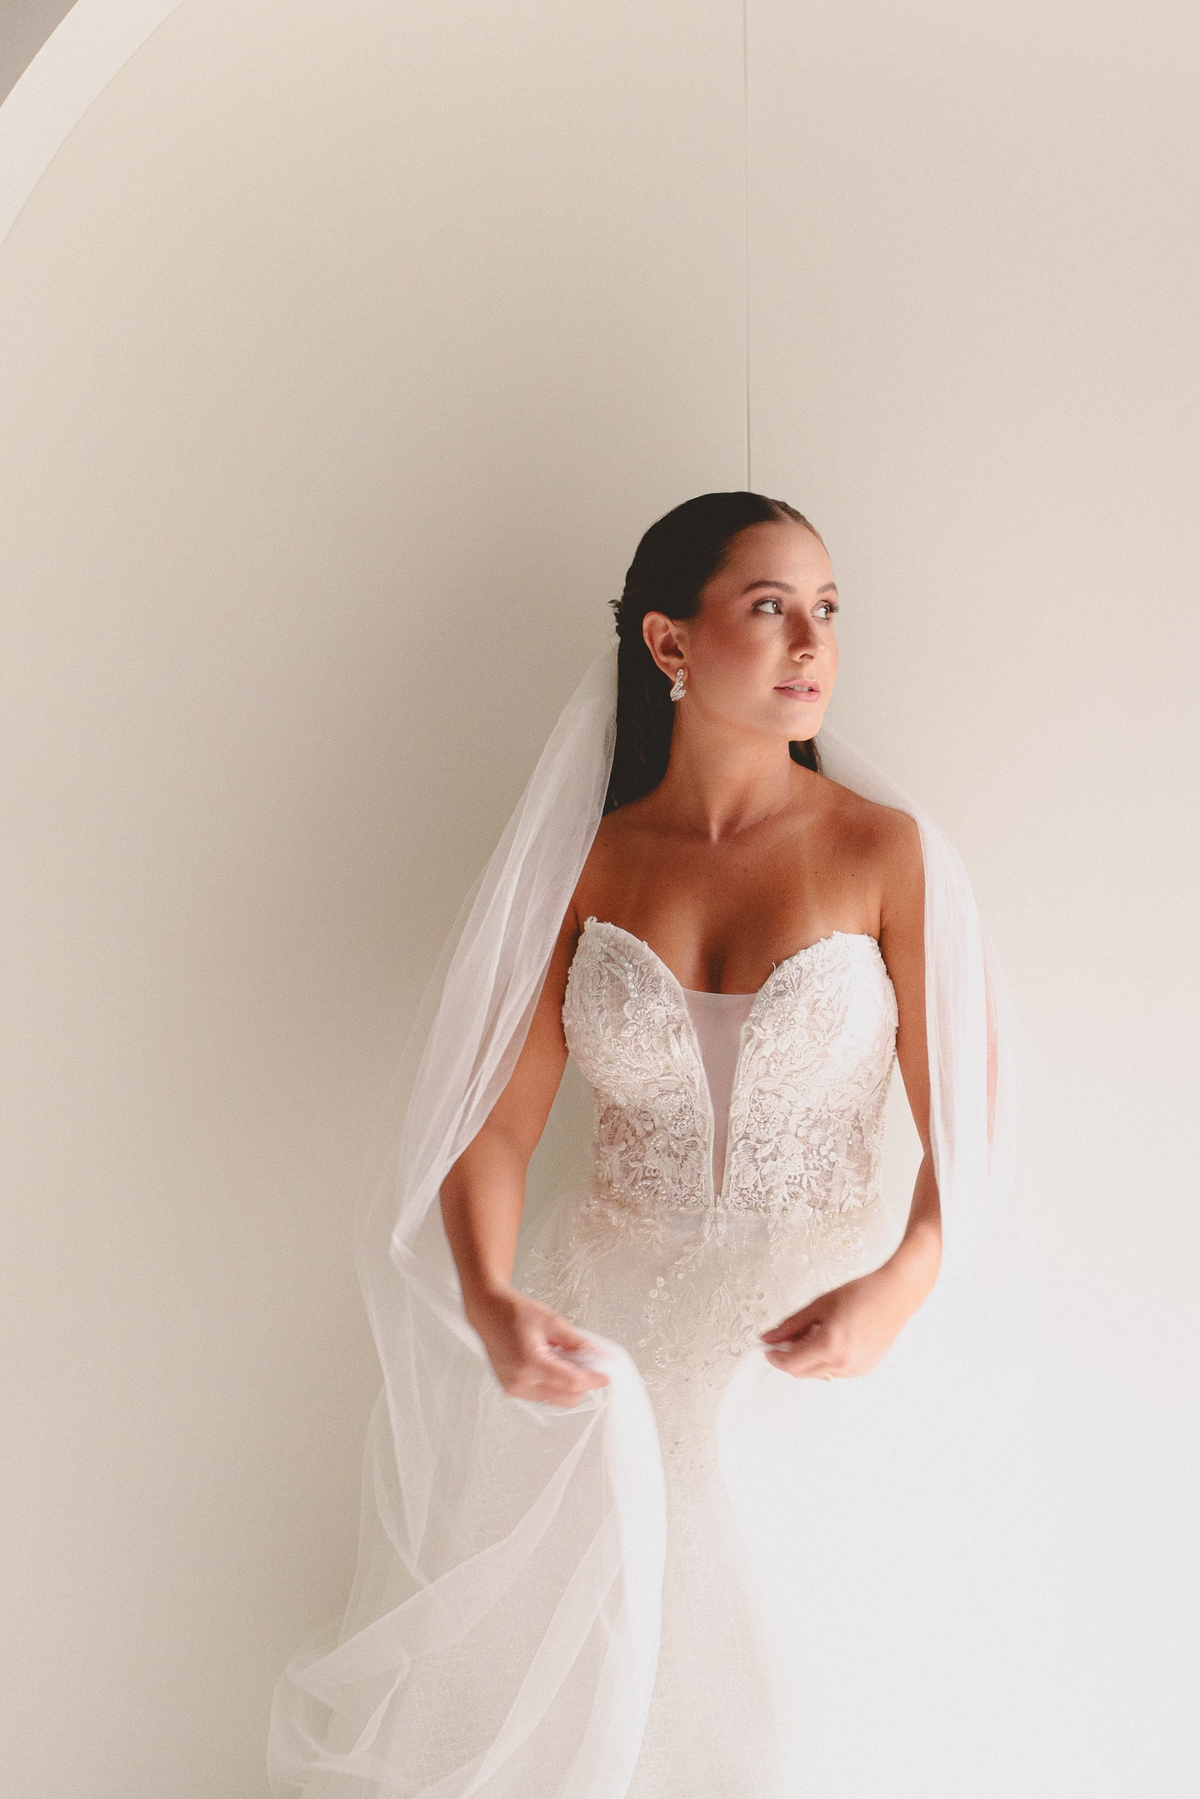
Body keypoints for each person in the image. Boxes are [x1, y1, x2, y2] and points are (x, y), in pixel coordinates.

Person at [268, 493, 1015, 1799]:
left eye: (828, 609)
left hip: (823, 1343)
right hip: (605, 1341)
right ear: (670, 643)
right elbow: (496, 1124)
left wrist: (900, 1284)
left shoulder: (884, 852)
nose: (812, 643)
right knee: (602, 1705)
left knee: (800, 1721)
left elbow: (971, 1131)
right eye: (770, 606)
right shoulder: (588, 865)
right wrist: (491, 1297)